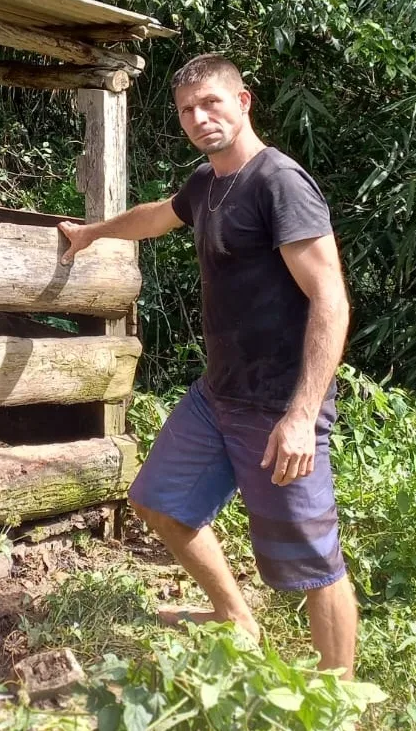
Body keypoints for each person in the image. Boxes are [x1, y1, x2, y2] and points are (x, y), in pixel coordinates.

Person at [57, 54, 357, 676]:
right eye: (187, 110)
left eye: (211, 103)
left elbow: (330, 297)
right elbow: (160, 214)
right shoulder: (208, 184)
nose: (199, 118)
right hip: (217, 395)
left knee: (314, 560)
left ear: (243, 102)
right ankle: (233, 616)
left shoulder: (279, 183)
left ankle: (340, 695)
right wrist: (93, 232)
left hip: (278, 403)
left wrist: (301, 415)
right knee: (159, 500)